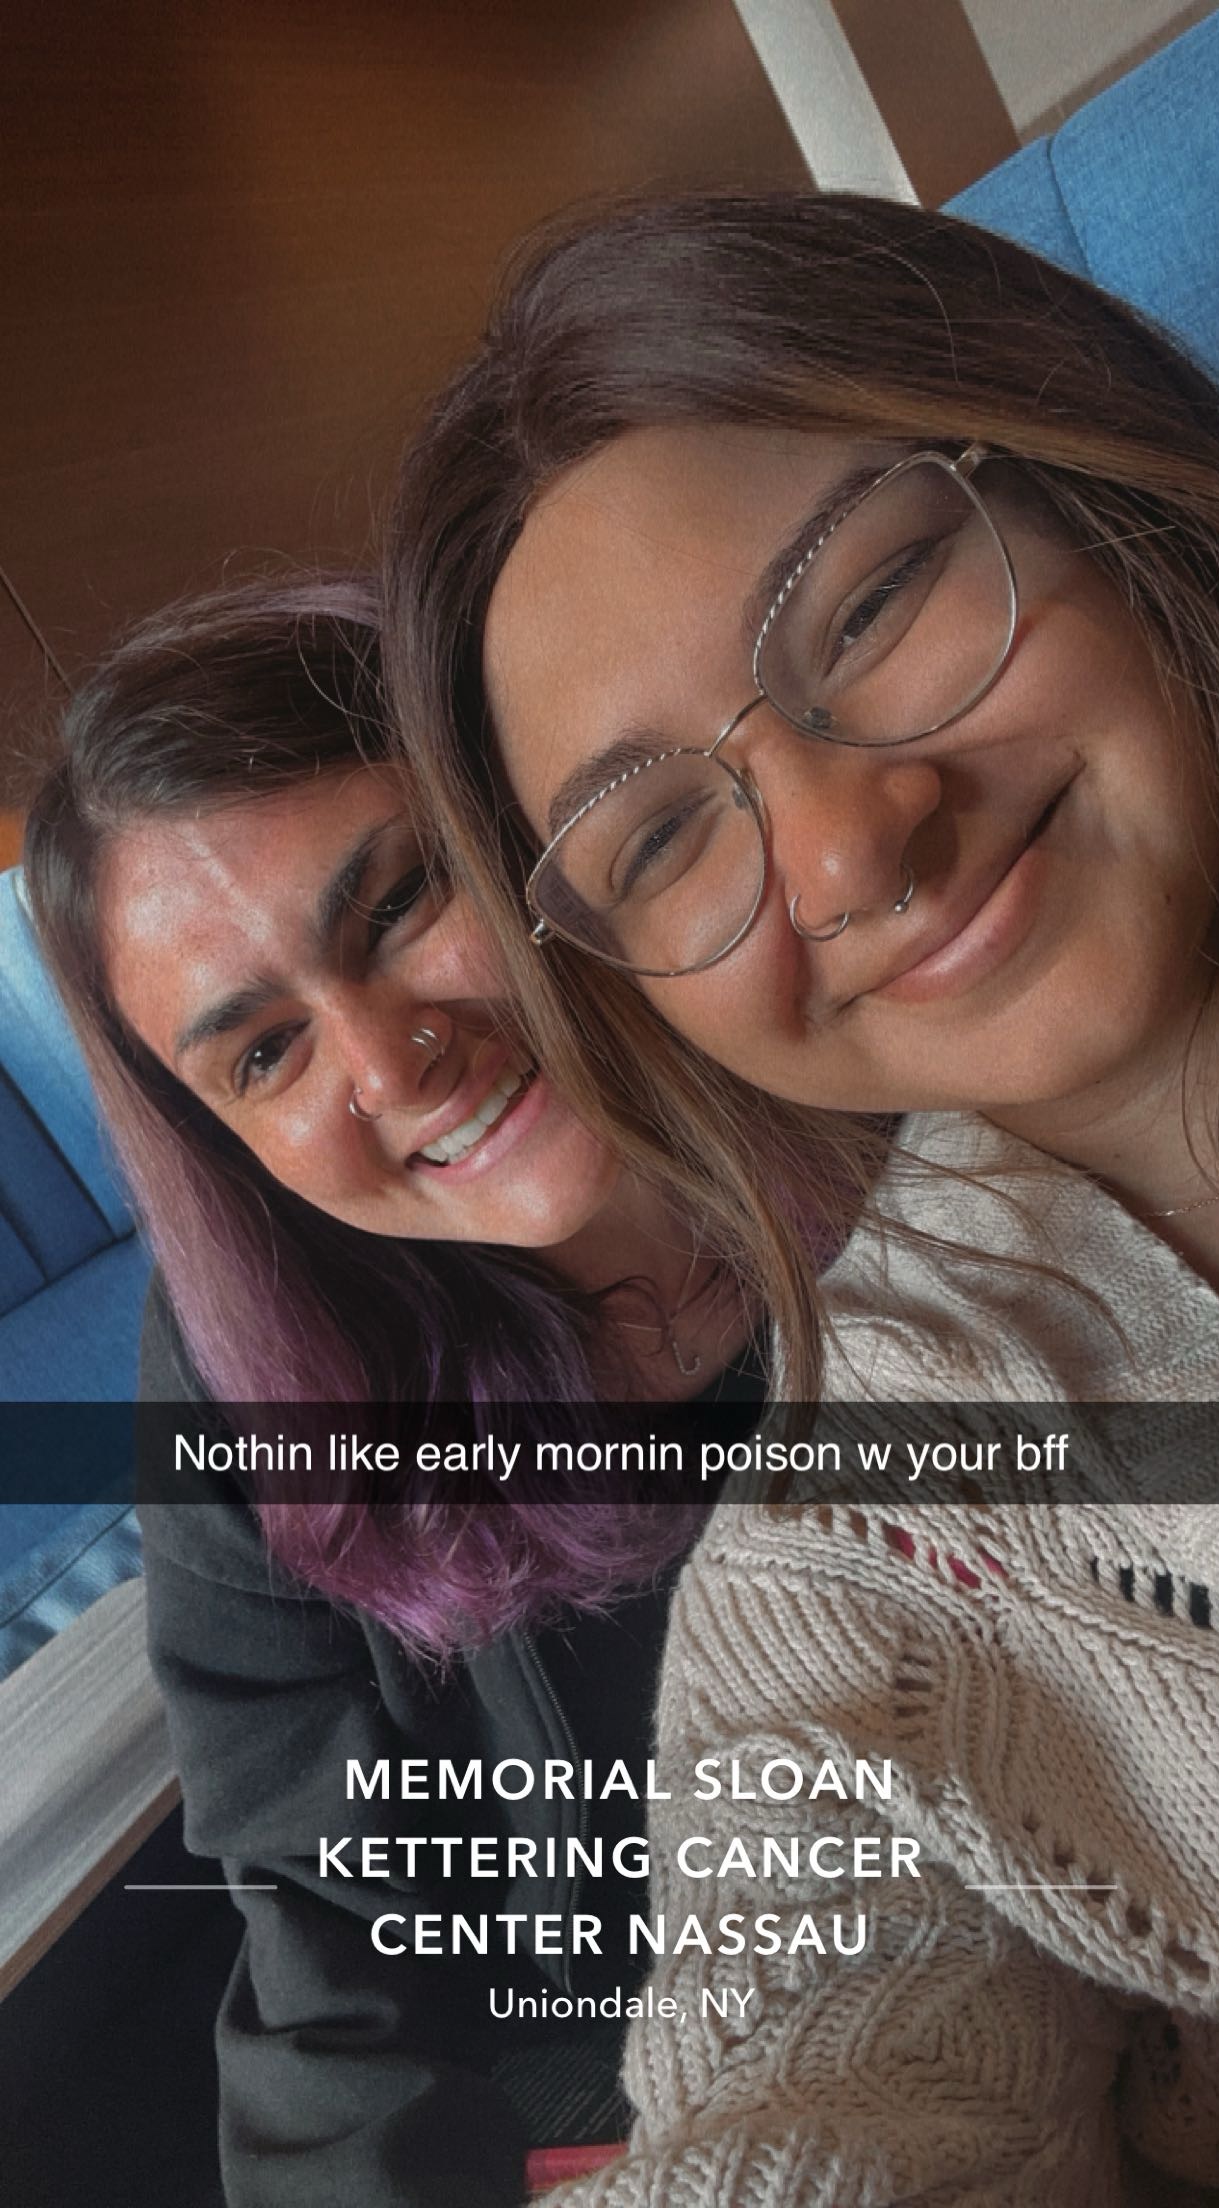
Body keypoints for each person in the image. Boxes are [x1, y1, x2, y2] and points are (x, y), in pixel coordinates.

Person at [380, 193, 1219, 2198]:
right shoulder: (845, 1573)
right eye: (661, 837)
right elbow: (806, 2083)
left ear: (1087, 474)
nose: (851, 854)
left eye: (866, 608)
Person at [22, 575, 792, 2208]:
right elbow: (320, 1905)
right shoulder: (248, 1368)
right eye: (263, 1054)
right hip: (620, 2061)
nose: (389, 1064)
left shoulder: (910, 1121)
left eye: (396, 903)